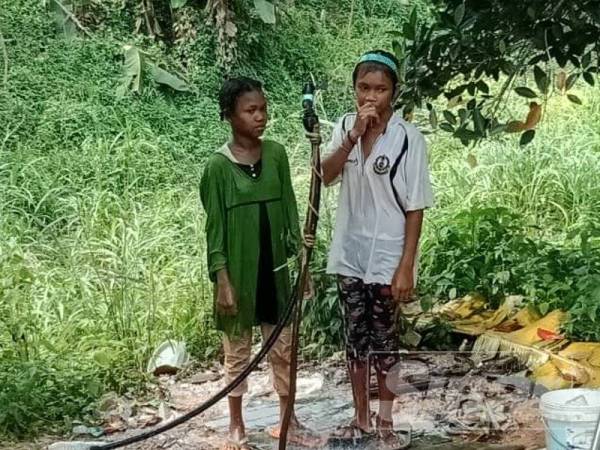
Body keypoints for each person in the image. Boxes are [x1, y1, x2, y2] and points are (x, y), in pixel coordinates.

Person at [321, 50, 434, 448]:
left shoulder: (408, 139)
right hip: (350, 252)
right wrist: (353, 135)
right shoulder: (343, 128)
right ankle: (360, 417)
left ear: (395, 92)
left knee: (385, 339)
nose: (372, 97)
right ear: (354, 90)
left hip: (388, 255)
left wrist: (407, 267)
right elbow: (325, 175)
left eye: (380, 89)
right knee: (355, 338)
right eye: (364, 88)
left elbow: (416, 206)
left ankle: (386, 422)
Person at [200, 77, 320, 450]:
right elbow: (215, 230)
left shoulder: (277, 155)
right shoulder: (218, 167)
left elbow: (290, 211)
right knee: (237, 350)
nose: (260, 117)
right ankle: (236, 423)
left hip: (276, 271)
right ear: (229, 116)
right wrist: (222, 280)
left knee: (283, 347)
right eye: (250, 111)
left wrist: (302, 263)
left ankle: (288, 417)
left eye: (263, 109)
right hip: (239, 273)